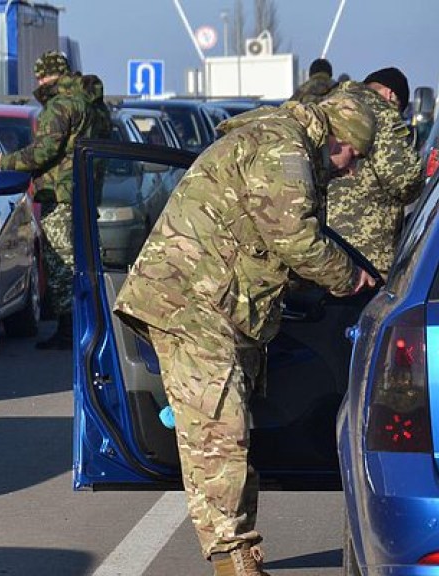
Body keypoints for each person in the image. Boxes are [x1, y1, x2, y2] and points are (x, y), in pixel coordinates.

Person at [113, 94, 378, 576]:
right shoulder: (284, 148)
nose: (352, 170)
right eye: (353, 157)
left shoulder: (287, 143)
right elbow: (295, 239)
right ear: (335, 138)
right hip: (190, 303)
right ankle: (232, 559)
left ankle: (238, 551)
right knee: (219, 432)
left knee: (227, 428)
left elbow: (266, 238)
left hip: (214, 304)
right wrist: (350, 278)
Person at [0, 50, 112, 350]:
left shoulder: (59, 106)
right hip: (85, 193)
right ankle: (88, 325)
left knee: (60, 263)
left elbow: (43, 152)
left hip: (61, 195)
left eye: (39, 76)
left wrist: (2, 161)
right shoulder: (93, 105)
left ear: (44, 76)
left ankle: (70, 331)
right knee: (83, 262)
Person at [326, 67, 423, 278]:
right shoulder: (383, 113)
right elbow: (405, 179)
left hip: (322, 248)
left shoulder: (330, 103)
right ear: (391, 94)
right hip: (365, 253)